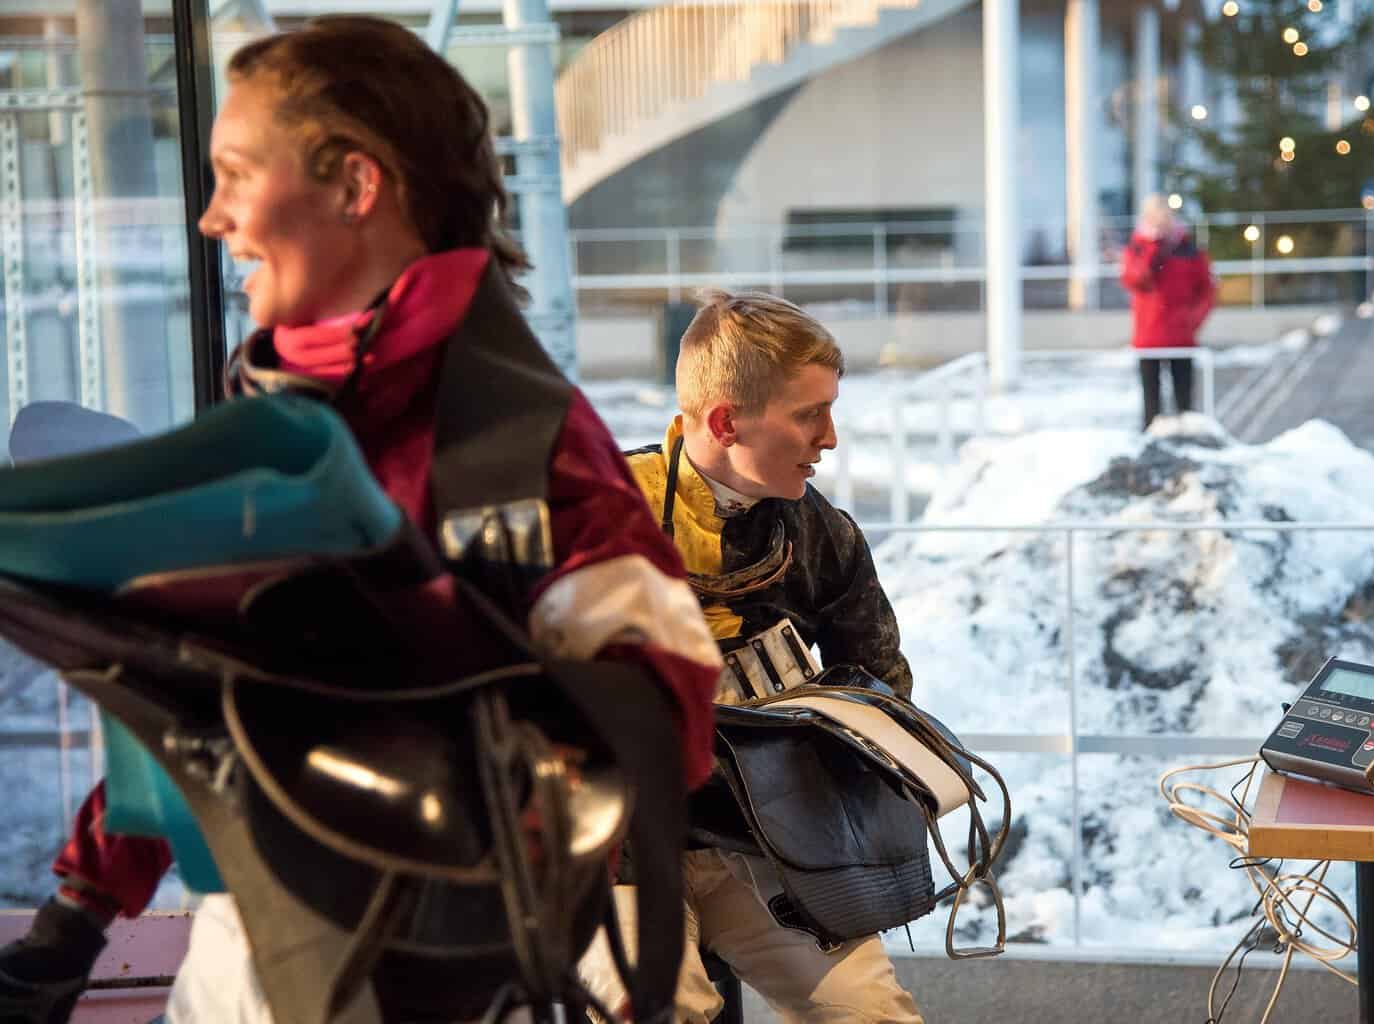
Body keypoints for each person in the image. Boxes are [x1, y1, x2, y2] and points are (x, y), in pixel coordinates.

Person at [0, 17, 721, 1024]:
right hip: (243, 954)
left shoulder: (521, 438)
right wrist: (73, 918)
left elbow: (667, 717)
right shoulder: (276, 420)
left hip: (435, 968)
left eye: (237, 174)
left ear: (354, 185)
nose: (213, 218)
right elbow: (196, 695)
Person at [580, 289, 924, 1024]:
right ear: (726, 421)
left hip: (759, 842)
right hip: (615, 848)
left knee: (874, 1015)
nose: (828, 438)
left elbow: (886, 689)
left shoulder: (821, 537)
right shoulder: (593, 520)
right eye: (809, 414)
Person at [1120, 194, 1216, 429]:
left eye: (1164, 214)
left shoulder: (1188, 248)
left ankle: (1188, 449)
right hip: (1148, 337)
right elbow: (1135, 279)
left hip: (1181, 336)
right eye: (1154, 215)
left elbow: (1207, 289)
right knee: (1151, 409)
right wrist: (1154, 247)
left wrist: (1193, 320)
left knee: (1185, 406)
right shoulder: (1139, 247)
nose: (1161, 220)